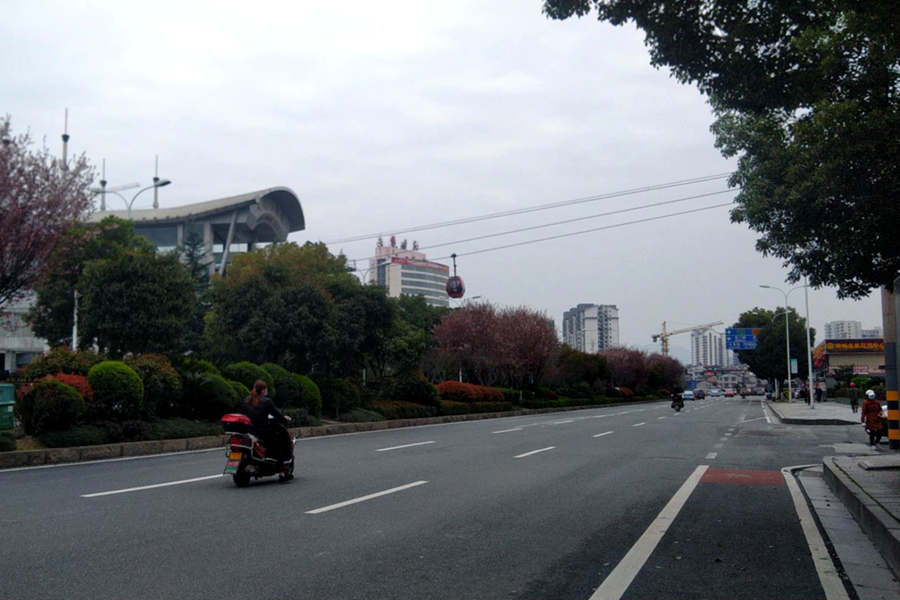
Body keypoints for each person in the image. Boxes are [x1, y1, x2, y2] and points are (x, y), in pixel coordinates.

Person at [242, 379, 292, 480]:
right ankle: (282, 473)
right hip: (263, 431)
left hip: (249, 431)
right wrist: (284, 418)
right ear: (264, 390)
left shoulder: (247, 400)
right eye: (266, 389)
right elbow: (276, 414)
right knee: (277, 448)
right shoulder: (267, 401)